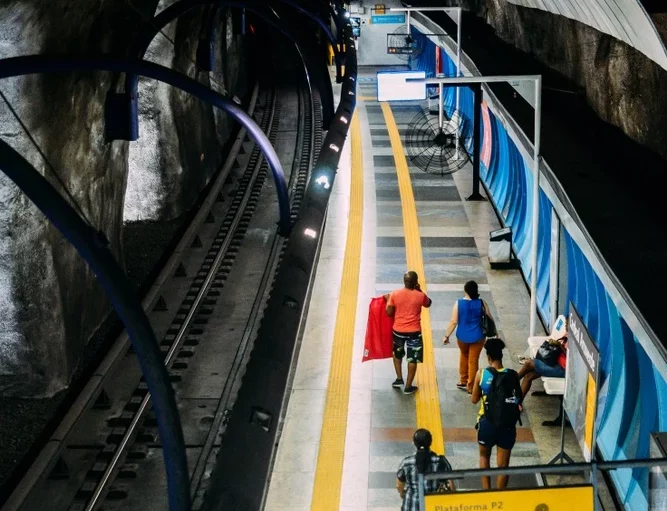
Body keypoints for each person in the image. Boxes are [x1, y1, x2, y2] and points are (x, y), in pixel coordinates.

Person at [471, 338, 522, 490]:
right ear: (501, 356)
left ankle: (487, 493)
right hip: (507, 424)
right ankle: (500, 497)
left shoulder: (482, 374)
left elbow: (474, 400)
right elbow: (518, 399)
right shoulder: (512, 375)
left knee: (484, 456)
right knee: (503, 465)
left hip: (487, 423)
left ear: (488, 357)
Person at [442, 281, 493, 393]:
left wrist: (446, 335)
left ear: (465, 290)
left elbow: (454, 321)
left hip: (462, 336)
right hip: (478, 336)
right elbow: (489, 317)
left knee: (464, 355)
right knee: (473, 361)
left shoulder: (459, 303)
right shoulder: (482, 303)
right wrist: (494, 333)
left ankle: (463, 380)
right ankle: (471, 387)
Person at [385, 271, 432, 394]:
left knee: (397, 354)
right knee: (412, 359)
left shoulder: (395, 294)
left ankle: (399, 378)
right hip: (414, 333)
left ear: (404, 281)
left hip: (398, 331)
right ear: (416, 282)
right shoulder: (420, 296)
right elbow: (428, 304)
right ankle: (408, 386)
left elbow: (389, 313)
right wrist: (420, 290)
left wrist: (388, 301)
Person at [396, 429, 455, 510]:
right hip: (433, 506)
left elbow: (399, 485)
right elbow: (451, 486)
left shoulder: (406, 462)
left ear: (414, 443)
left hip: (410, 506)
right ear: (430, 442)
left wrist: (403, 494)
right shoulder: (440, 461)